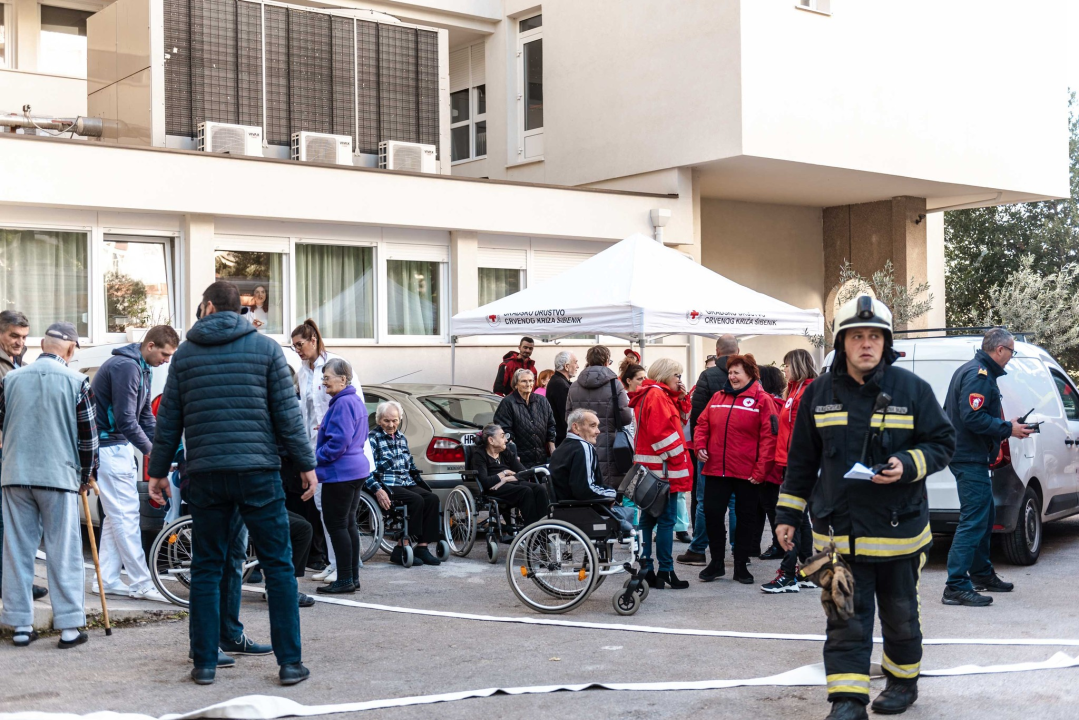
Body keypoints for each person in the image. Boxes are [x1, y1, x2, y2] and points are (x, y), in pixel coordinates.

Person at [775, 295, 955, 719]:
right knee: (843, 619)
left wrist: (908, 464)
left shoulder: (912, 390)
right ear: (842, 342)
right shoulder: (819, 394)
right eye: (857, 336)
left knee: (901, 617)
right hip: (836, 537)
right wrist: (787, 514)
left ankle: (902, 683)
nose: (866, 343)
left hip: (899, 535)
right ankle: (848, 701)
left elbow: (944, 442)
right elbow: (801, 462)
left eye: (875, 336)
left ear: (886, 342)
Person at [148, 281, 317, 687]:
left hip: (206, 473)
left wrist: (157, 471)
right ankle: (289, 664)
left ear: (208, 307)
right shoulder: (266, 350)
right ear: (238, 310)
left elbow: (169, 419)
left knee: (207, 566)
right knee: (278, 565)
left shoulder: (185, 355)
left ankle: (205, 663)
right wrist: (306, 465)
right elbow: (287, 415)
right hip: (258, 471)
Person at [1, 322, 98, 649]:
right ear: (70, 349)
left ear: (42, 345)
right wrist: (86, 477)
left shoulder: (10, 380)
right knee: (63, 551)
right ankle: (69, 628)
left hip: (15, 474)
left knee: (17, 550)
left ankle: (20, 626)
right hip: (58, 476)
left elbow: (3, 422)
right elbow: (89, 439)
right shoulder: (77, 381)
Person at [942, 327, 1033, 607]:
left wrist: (1006, 425)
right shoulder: (978, 375)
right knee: (974, 519)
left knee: (985, 514)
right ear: (1000, 349)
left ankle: (981, 574)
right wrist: (1008, 429)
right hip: (967, 457)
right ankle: (955, 586)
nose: (1011, 357)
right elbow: (972, 417)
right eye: (1011, 351)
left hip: (970, 455)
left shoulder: (976, 371)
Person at [90, 325, 179, 603]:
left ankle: (106, 580)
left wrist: (163, 451)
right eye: (165, 354)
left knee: (116, 517)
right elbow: (127, 420)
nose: (167, 360)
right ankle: (141, 582)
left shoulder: (142, 367)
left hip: (115, 447)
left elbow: (144, 417)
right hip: (109, 448)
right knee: (126, 517)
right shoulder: (127, 367)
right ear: (150, 345)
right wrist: (156, 453)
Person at [291, 319, 373, 585]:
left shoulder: (337, 368)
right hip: (323, 450)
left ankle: (345, 570)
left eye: (300, 345)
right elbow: (306, 412)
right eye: (294, 347)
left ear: (313, 340)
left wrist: (319, 454)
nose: (297, 350)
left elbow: (351, 418)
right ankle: (337, 564)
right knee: (328, 514)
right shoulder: (303, 371)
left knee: (338, 519)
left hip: (335, 458)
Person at [693, 354, 778, 585]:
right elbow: (702, 424)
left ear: (750, 374)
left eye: (736, 372)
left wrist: (761, 471)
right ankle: (717, 562)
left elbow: (769, 437)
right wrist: (700, 445)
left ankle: (740, 565)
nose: (732, 376)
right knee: (712, 514)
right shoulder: (718, 397)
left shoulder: (763, 400)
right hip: (715, 470)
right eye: (730, 372)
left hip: (747, 473)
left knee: (746, 519)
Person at [628, 357, 693, 590]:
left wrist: (681, 399)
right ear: (665, 374)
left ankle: (648, 568)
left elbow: (676, 424)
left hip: (652, 471)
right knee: (666, 521)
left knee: (648, 520)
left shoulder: (653, 393)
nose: (679, 379)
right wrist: (678, 457)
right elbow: (663, 434)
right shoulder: (657, 395)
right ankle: (666, 569)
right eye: (677, 375)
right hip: (663, 472)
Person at [679, 335, 740, 566]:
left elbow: (697, 414)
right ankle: (738, 549)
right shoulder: (747, 375)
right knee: (734, 501)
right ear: (737, 351)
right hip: (738, 449)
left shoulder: (708, 375)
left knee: (704, 500)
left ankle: (698, 549)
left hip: (710, 448)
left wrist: (699, 444)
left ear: (717, 351)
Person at [761, 348, 818, 594]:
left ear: (797, 365)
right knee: (801, 519)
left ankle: (788, 574)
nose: (783, 370)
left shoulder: (807, 392)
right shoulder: (794, 391)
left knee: (791, 518)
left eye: (786, 365)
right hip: (791, 463)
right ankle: (806, 572)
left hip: (800, 465)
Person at [0, 310, 46, 602]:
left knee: (14, 524)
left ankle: (16, 583)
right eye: (13, 336)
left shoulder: (19, 363)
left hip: (17, 452)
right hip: (5, 451)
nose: (20, 342)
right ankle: (9, 586)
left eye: (24, 337)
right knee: (5, 523)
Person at [314, 358, 370, 594]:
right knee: (348, 524)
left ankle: (345, 578)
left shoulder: (342, 403)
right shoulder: (354, 400)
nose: (324, 381)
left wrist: (317, 457)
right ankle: (352, 577)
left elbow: (339, 441)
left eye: (327, 377)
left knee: (337, 525)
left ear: (343, 379)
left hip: (340, 473)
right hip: (355, 470)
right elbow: (356, 434)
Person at [366, 401, 443, 567]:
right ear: (379, 420)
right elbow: (366, 469)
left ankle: (422, 547)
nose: (391, 425)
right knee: (416, 500)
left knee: (432, 499)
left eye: (394, 420)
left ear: (399, 420)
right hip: (387, 483)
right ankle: (402, 547)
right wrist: (378, 490)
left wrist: (418, 479)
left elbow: (410, 464)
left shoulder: (401, 438)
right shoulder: (372, 439)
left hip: (405, 481)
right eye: (386, 420)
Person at [549, 409, 635, 535]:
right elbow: (584, 489)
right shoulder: (583, 447)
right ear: (576, 427)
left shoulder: (562, 448)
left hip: (565, 508)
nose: (598, 431)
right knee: (627, 517)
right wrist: (612, 494)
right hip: (581, 510)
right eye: (593, 426)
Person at [566, 345, 633, 484]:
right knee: (608, 486)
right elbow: (626, 418)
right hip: (609, 444)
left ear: (588, 360)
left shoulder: (574, 386)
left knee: (586, 482)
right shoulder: (615, 385)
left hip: (581, 443)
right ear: (607, 360)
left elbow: (568, 418)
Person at [470, 424, 550, 526]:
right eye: (502, 436)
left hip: (511, 482)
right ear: (491, 440)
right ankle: (531, 529)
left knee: (540, 489)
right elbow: (485, 482)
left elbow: (524, 473)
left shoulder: (505, 451)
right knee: (526, 491)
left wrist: (507, 479)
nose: (506, 440)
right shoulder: (479, 455)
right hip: (494, 488)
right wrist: (503, 473)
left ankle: (545, 527)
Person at [753, 364, 787, 561]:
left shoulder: (769, 402)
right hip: (773, 462)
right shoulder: (780, 402)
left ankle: (778, 545)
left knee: (768, 506)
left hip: (767, 462)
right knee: (763, 505)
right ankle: (754, 545)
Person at [493, 369, 556, 469]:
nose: (528, 384)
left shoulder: (542, 401)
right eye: (524, 381)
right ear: (516, 384)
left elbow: (551, 426)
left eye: (530, 381)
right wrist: (513, 454)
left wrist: (552, 448)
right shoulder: (508, 403)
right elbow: (504, 430)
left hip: (541, 457)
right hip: (519, 459)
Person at [547, 350, 578, 445]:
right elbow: (566, 415)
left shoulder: (558, 381)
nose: (577, 366)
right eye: (575, 362)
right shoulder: (560, 385)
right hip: (563, 438)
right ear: (566, 366)